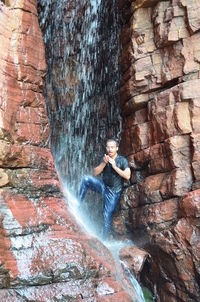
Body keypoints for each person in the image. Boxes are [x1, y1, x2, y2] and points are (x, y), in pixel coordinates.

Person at [79, 138, 131, 239]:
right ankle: (77, 204)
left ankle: (104, 241)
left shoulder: (122, 160)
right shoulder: (104, 158)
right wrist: (103, 163)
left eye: (112, 147)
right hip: (103, 186)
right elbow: (95, 173)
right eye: (108, 147)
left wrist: (115, 167)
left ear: (116, 148)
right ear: (106, 148)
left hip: (113, 192)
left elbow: (127, 176)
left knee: (106, 216)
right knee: (85, 180)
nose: (110, 149)